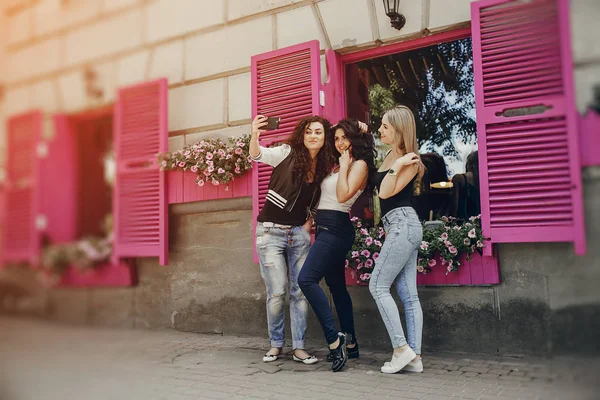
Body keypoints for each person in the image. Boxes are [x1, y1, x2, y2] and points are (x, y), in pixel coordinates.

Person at [250, 114, 335, 364]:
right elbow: (258, 155)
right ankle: (276, 344)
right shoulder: (286, 152)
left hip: (298, 234)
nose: (313, 136)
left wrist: (310, 221)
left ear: (324, 137)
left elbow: (321, 198)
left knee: (300, 292)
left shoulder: (324, 166)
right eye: (309, 131)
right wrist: (254, 134)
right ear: (302, 134)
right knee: (276, 292)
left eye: (318, 132)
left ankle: (299, 347)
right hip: (270, 233)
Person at [298, 119, 375, 372]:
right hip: (325, 227)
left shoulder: (359, 165)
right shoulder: (338, 164)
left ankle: (335, 339)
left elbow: (343, 196)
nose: (340, 142)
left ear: (355, 140)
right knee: (336, 287)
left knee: (306, 279)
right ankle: (351, 344)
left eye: (345, 137)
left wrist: (343, 167)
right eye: (338, 138)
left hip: (336, 227)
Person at [369, 105, 425, 374]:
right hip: (400, 225)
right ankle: (414, 359)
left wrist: (399, 164)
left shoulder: (410, 160)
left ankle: (401, 349)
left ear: (400, 130)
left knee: (377, 286)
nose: (380, 130)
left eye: (385, 126)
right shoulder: (391, 154)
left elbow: (385, 193)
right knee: (408, 295)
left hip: (403, 223)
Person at [450, 151, 481, 220]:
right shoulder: (484, 179)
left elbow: (454, 204)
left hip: (463, 221)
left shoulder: (459, 178)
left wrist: (451, 220)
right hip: (481, 221)